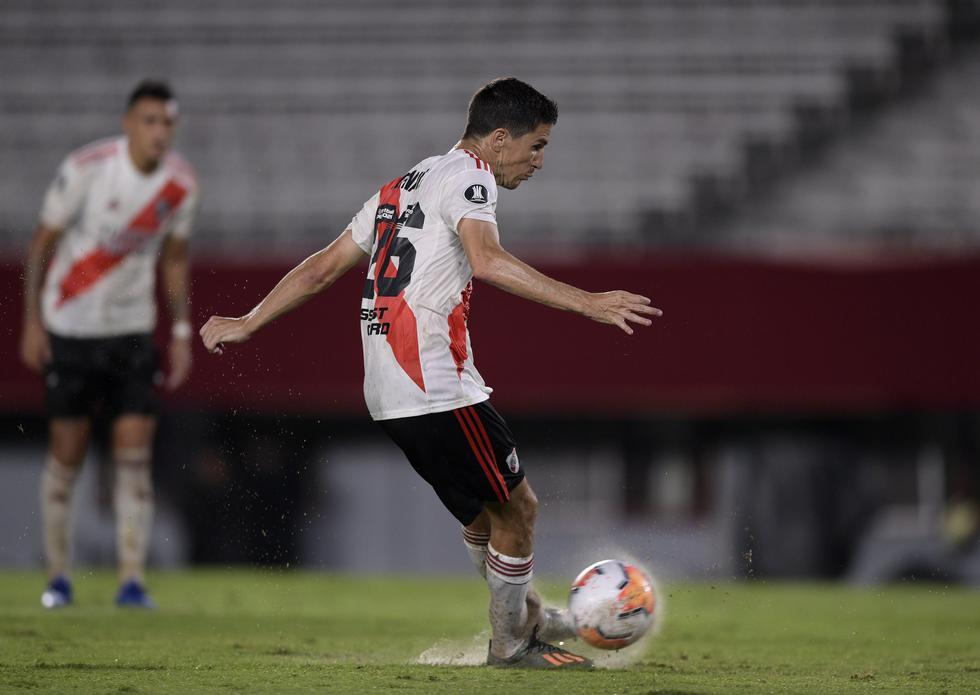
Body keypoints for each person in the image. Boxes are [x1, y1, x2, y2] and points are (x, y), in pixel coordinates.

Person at [200, 77, 659, 667]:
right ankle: (512, 644)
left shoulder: (403, 185)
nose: (540, 161)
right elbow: (487, 261)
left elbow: (322, 268)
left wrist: (250, 320)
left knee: (484, 518)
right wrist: (588, 302)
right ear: (499, 138)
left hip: (387, 391)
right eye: (537, 145)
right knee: (519, 509)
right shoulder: (472, 178)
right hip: (435, 384)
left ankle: (525, 617)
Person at [20, 79, 199, 609]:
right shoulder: (88, 169)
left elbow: (174, 260)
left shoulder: (181, 184)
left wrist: (181, 332)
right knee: (67, 456)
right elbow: (41, 244)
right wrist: (32, 322)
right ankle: (58, 577)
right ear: (128, 124)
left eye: (167, 123)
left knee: (134, 458)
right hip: (71, 329)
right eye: (150, 121)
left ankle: (131, 580)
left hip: (131, 332)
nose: (159, 132)